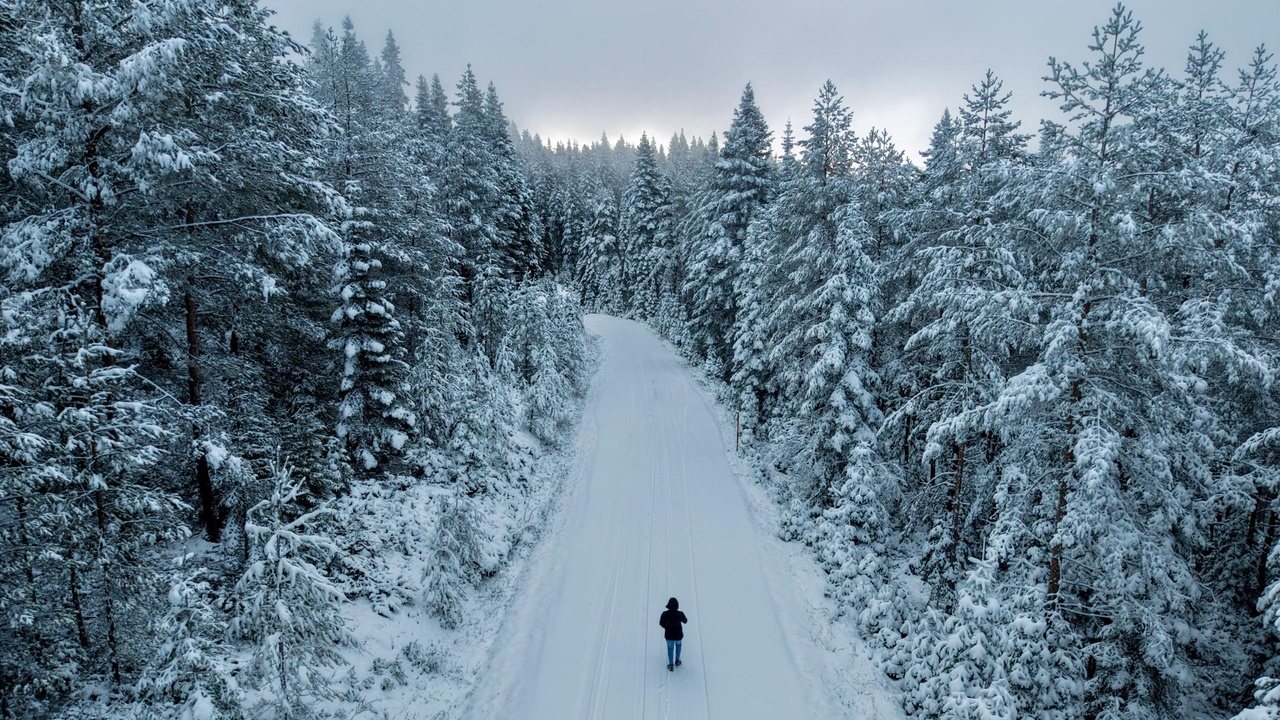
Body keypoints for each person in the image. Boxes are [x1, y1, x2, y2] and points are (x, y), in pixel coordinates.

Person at [659, 597, 687, 671]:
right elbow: (685, 621)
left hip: (669, 636)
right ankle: (677, 661)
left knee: (670, 649)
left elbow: (661, 623)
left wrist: (666, 627)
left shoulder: (665, 614)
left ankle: (671, 664)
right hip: (678, 635)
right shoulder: (680, 614)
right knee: (678, 646)